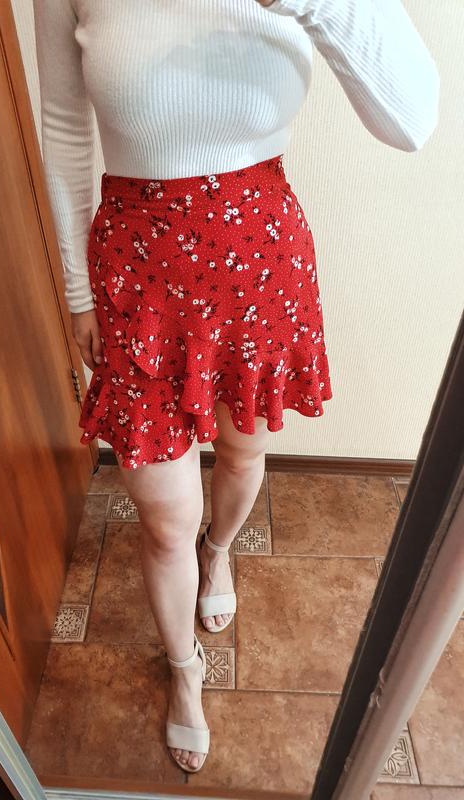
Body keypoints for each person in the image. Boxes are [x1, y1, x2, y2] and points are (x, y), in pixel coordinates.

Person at [33, 0, 439, 773]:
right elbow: (63, 128)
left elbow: (413, 120)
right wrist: (78, 290)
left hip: (260, 264)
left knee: (244, 453)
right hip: (137, 271)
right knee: (163, 519)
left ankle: (219, 552)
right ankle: (184, 669)